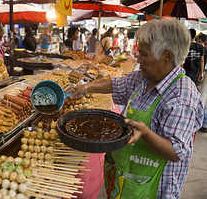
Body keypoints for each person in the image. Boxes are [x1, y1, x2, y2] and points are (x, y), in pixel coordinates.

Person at [67, 19, 203, 199]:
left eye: (144, 54)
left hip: (153, 188)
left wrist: (145, 133)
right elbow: (115, 84)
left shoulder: (181, 97)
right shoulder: (142, 78)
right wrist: (86, 87)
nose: (138, 58)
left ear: (166, 56)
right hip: (125, 177)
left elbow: (176, 151)